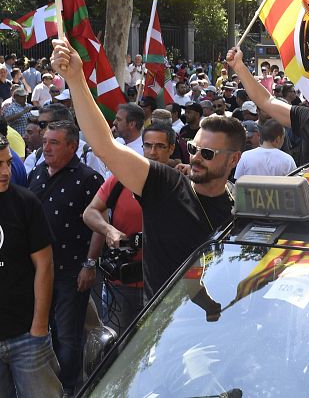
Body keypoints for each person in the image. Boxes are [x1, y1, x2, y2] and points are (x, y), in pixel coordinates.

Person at [52, 37, 244, 304]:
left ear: (233, 159)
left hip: (216, 323)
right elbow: (104, 147)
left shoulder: (239, 205)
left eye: (208, 154)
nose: (196, 158)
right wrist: (75, 79)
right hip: (161, 332)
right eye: (192, 148)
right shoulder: (166, 184)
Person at [28, 120, 104, 395]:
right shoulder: (36, 173)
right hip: (35, 271)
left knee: (67, 335)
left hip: (71, 272)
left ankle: (69, 389)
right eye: (45, 141)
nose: (46, 147)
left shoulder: (88, 179)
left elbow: (99, 224)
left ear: (72, 146)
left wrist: (89, 265)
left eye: (54, 142)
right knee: (38, 331)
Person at [82, 123, 176, 334]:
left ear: (171, 149)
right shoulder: (120, 179)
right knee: (116, 346)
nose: (153, 152)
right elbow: (91, 212)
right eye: (148, 145)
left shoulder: (182, 185)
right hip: (121, 284)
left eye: (160, 146)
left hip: (165, 284)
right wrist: (109, 230)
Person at [0, 132, 62, 397]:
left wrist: (38, 327)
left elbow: (45, 267)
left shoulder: (25, 203)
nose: (5, 171)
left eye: (7, 162)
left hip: (26, 335)